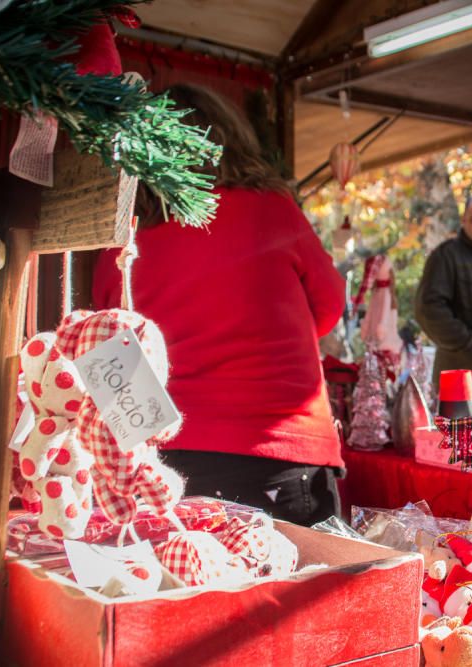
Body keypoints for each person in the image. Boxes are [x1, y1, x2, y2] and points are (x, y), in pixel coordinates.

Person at [92, 84, 346, 526]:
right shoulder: (273, 209)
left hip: (165, 463)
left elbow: (105, 340)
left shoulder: (125, 238)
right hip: (282, 455)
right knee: (302, 591)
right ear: (230, 140)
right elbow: (328, 308)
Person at [415, 191, 472, 395]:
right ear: (464, 220)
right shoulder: (446, 256)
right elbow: (428, 309)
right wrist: (469, 344)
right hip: (458, 371)